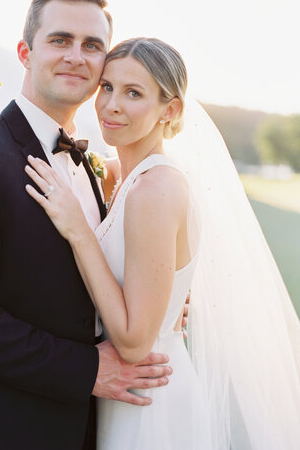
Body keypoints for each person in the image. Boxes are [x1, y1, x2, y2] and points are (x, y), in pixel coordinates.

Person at [0, 0, 174, 450]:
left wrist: (161, 297)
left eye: (92, 45)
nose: (76, 56)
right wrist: (87, 369)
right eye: (60, 40)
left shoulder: (91, 166)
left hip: (82, 428)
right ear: (25, 52)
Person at [25, 37, 300, 449]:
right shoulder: (116, 174)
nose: (111, 104)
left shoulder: (156, 189)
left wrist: (79, 230)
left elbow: (135, 343)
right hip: (118, 395)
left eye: (133, 93)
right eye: (107, 87)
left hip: (151, 400)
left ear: (169, 110)